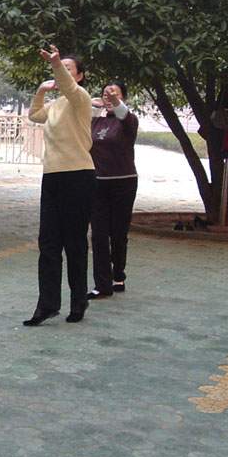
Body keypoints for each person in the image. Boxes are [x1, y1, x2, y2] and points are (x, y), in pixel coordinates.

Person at [24, 45, 96, 326]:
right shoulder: (55, 106)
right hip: (52, 176)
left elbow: (67, 86)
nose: (63, 72)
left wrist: (55, 64)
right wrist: (41, 91)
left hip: (78, 175)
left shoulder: (81, 99)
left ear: (79, 76)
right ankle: (47, 305)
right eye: (60, 67)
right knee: (48, 243)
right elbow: (34, 115)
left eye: (68, 68)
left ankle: (78, 301)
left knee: (75, 243)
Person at [88, 82, 138, 299]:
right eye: (105, 94)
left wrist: (114, 101)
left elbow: (123, 113)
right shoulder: (96, 121)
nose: (108, 97)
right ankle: (102, 284)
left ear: (123, 97)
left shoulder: (128, 121)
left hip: (123, 183)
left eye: (114, 94)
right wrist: (91, 104)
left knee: (118, 233)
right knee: (98, 235)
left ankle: (118, 275)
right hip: (97, 183)